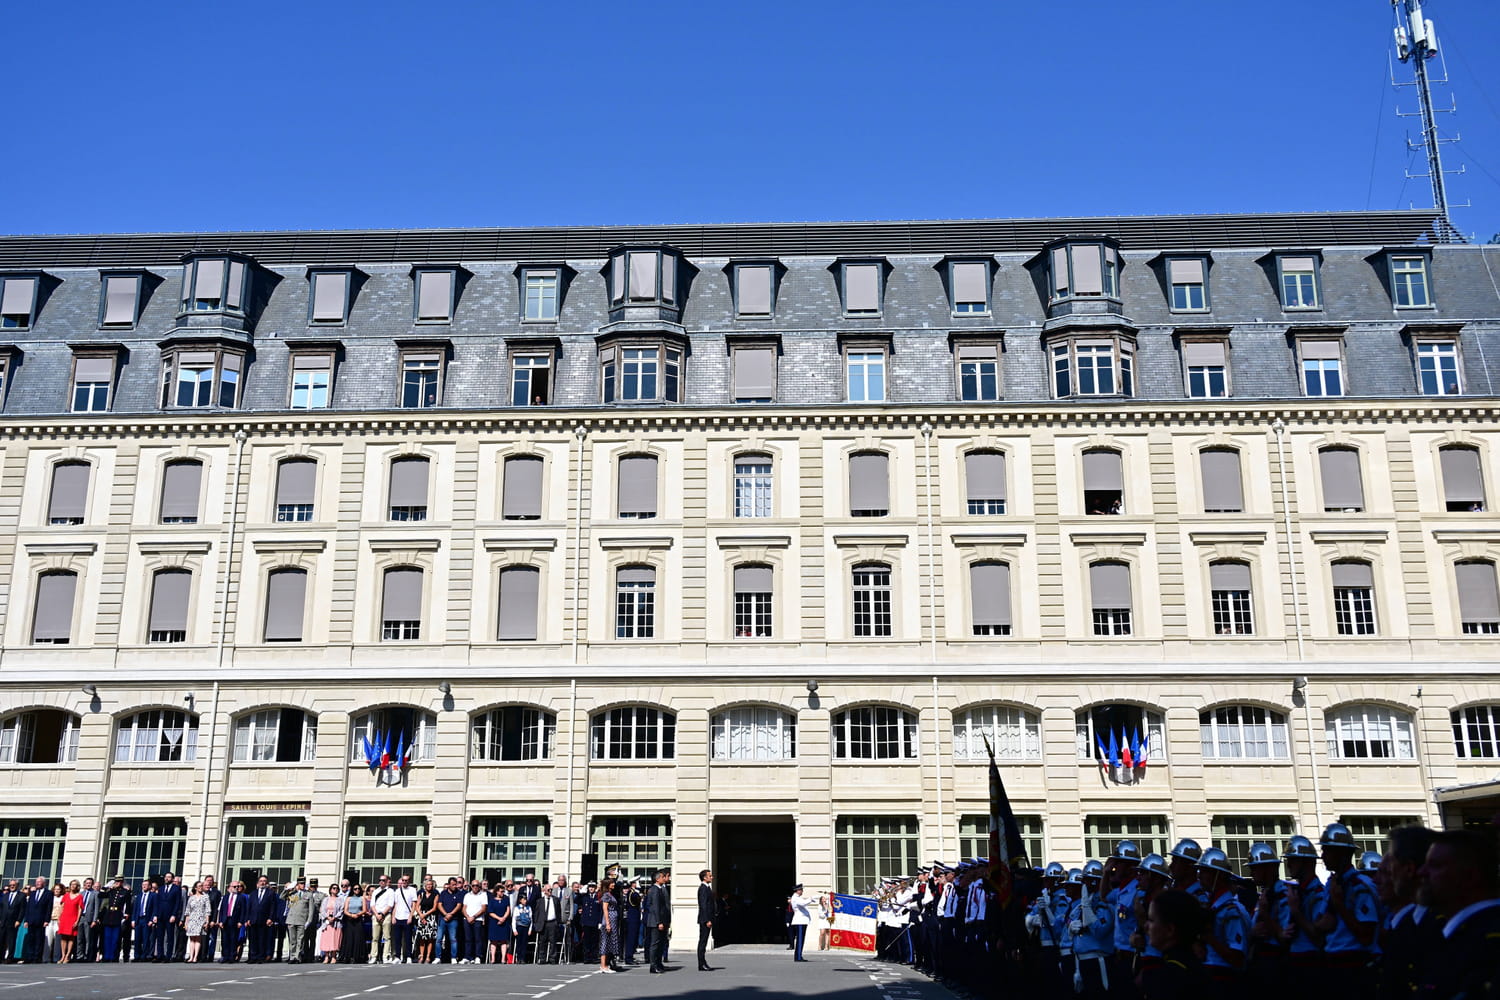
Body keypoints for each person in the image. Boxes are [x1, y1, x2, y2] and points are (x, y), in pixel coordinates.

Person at [1415, 829, 1500, 999]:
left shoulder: (1487, 944)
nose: (1421, 873)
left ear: (1470, 876)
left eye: (1435, 865)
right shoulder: (1455, 934)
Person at [1376, 825, 1437, 1000]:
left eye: (1389, 869)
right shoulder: (1410, 924)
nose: (1377, 880)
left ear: (1409, 869)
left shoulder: (1431, 926)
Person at [1140, 889, 1210, 1000]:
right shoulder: (1192, 966)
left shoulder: (1169, 978)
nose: (1146, 926)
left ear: (1170, 930)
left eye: (1151, 920)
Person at [644, 868, 672, 973]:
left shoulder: (659, 889)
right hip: (656, 921)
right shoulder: (655, 890)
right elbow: (655, 907)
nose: (663, 878)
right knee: (655, 944)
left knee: (661, 943)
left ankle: (658, 963)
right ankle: (653, 965)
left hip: (661, 920)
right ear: (657, 879)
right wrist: (659, 922)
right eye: (661, 877)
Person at [388, 875, 417, 964]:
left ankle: (408, 956)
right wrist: (393, 916)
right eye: (403, 880)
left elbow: (414, 904)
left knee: (408, 939)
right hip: (398, 917)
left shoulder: (412, 890)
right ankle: (397, 956)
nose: (404, 882)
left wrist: (410, 916)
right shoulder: (397, 891)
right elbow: (396, 904)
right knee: (397, 938)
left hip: (407, 916)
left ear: (409, 881)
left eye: (406, 880)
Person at [436, 877, 463, 963]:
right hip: (442, 918)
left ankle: (453, 957)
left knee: (453, 939)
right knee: (439, 938)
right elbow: (439, 905)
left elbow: (459, 905)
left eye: (456, 884)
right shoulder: (443, 893)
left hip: (453, 919)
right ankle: (438, 957)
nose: (455, 886)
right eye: (453, 885)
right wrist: (445, 914)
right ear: (449, 885)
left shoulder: (459, 894)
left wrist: (451, 914)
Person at [339, 884, 368, 964]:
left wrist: (358, 914)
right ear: (352, 890)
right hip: (350, 919)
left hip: (358, 919)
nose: (357, 890)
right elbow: (345, 910)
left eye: (358, 889)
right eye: (355, 889)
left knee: (358, 938)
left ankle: (357, 957)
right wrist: (351, 915)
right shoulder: (349, 898)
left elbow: (364, 910)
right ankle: (347, 956)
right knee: (349, 938)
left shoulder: (362, 898)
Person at [462, 878, 488, 964]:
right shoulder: (467, 895)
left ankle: (478, 956)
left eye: (477, 885)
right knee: (468, 939)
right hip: (467, 919)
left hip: (478, 919)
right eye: (473, 886)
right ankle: (468, 957)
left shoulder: (483, 895)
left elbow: (483, 908)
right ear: (471, 886)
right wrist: (468, 917)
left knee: (478, 939)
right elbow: (464, 908)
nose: (475, 887)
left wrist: (474, 917)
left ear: (479, 886)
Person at [55, 881, 82, 964]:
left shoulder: (79, 896)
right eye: (72, 884)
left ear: (77, 886)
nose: (73, 886)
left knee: (71, 938)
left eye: (75, 885)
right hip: (64, 918)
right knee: (63, 938)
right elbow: (61, 907)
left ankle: (68, 955)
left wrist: (77, 921)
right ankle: (63, 955)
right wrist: (59, 918)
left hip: (73, 918)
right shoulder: (66, 896)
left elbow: (80, 909)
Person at [183, 882, 211, 963]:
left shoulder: (205, 897)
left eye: (201, 886)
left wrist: (207, 921)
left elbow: (207, 910)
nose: (200, 887)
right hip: (192, 919)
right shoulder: (191, 898)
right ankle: (191, 957)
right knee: (192, 939)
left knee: (198, 938)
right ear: (195, 888)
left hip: (201, 919)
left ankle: (195, 957)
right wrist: (186, 922)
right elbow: (188, 911)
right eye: (199, 886)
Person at [598, 877, 620, 973]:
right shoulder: (606, 895)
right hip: (609, 920)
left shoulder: (610, 894)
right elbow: (605, 909)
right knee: (605, 943)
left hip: (613, 920)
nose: (613, 884)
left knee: (610, 943)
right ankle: (603, 965)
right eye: (612, 883)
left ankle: (606, 964)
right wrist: (607, 923)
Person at [414, 876, 438, 963]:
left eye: (431, 884)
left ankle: (428, 956)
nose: (429, 886)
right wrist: (421, 915)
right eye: (428, 884)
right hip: (422, 916)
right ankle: (422, 955)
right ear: (425, 885)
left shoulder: (435, 895)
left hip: (431, 917)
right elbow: (417, 906)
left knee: (430, 938)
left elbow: (434, 907)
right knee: (422, 938)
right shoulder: (421, 894)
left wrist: (425, 915)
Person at [486, 884, 511, 964]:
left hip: (504, 922)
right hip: (494, 922)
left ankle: (503, 959)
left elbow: (508, 910)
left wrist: (503, 918)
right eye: (501, 891)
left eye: (503, 891)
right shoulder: (492, 901)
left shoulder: (506, 900)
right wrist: (499, 918)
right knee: (494, 941)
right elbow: (490, 912)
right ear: (497, 892)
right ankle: (493, 958)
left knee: (504, 941)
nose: (502, 893)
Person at [696, 869, 716, 972]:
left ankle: (703, 962)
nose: (712, 877)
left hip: (707, 918)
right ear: (704, 877)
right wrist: (707, 919)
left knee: (704, 941)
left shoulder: (707, 888)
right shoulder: (703, 888)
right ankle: (701, 963)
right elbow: (703, 905)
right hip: (705, 919)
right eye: (710, 875)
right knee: (703, 941)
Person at [318, 883, 343, 963]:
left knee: (334, 939)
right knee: (326, 939)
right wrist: (327, 917)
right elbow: (322, 910)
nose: (335, 890)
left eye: (336, 888)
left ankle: (333, 956)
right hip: (327, 922)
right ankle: (326, 956)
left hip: (336, 922)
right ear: (330, 890)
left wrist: (335, 917)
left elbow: (341, 910)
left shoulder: (340, 899)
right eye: (333, 888)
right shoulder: (326, 899)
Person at [788, 884, 812, 962]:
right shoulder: (795, 898)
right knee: (800, 939)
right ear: (797, 890)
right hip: (800, 921)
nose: (802, 891)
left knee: (801, 939)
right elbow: (803, 903)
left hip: (802, 920)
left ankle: (799, 955)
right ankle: (798, 956)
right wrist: (811, 899)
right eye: (801, 890)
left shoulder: (797, 898)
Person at [511, 890, 533, 964]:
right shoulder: (517, 908)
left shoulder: (529, 908)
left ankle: (523, 958)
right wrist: (514, 929)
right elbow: (514, 919)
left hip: (526, 927)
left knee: (524, 943)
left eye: (525, 899)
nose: (525, 901)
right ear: (520, 900)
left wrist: (530, 929)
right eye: (523, 899)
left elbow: (531, 919)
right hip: (519, 927)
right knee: (519, 943)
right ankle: (518, 957)